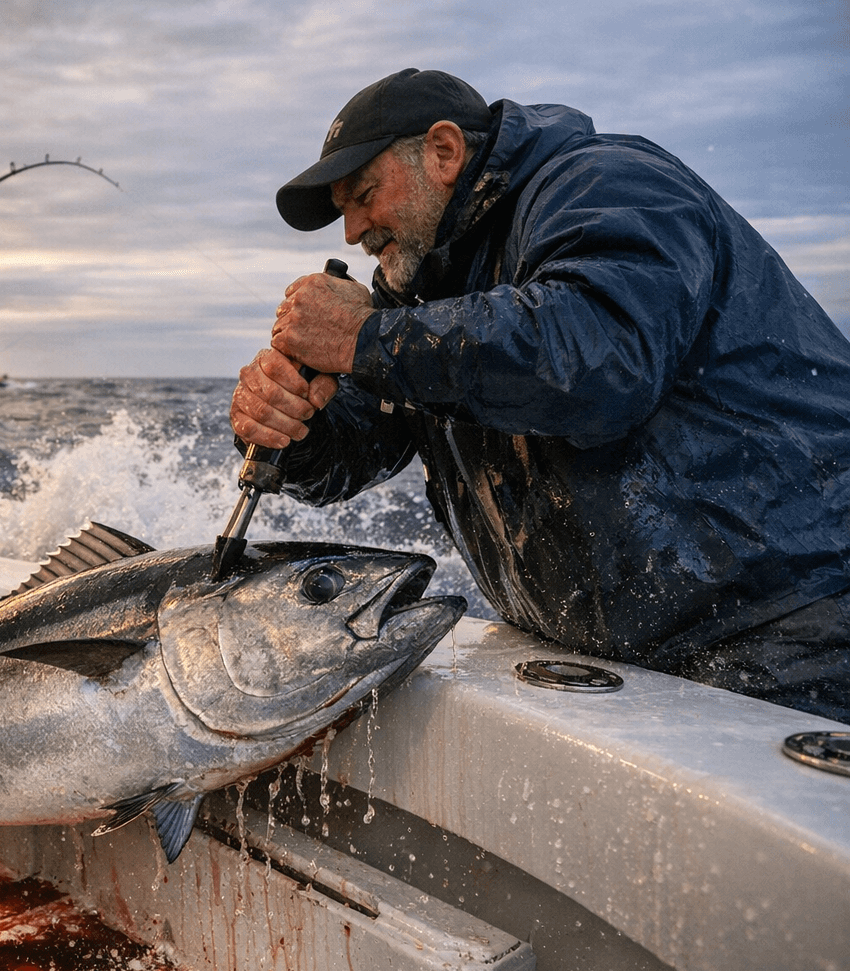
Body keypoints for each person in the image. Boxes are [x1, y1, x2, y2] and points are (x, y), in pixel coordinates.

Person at [232, 68, 850, 722]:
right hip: (620, 660)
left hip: (796, 626)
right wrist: (290, 427)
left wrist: (366, 339)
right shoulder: (420, 290)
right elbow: (358, 442)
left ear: (445, 152)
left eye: (363, 195)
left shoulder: (608, 183)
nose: (352, 231)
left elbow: (598, 360)